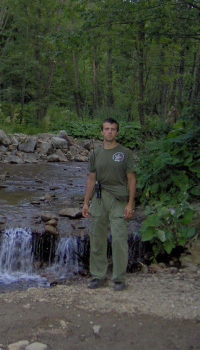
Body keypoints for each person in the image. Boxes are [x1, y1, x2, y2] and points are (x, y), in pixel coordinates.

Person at [82, 118, 136, 291]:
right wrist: (86, 203)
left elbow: (131, 179)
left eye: (113, 129)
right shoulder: (96, 154)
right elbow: (91, 179)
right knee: (97, 238)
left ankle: (119, 278)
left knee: (119, 238)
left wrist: (130, 204)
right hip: (99, 198)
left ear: (117, 132)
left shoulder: (125, 153)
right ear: (102, 132)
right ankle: (98, 276)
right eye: (106, 129)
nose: (110, 132)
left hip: (119, 198)